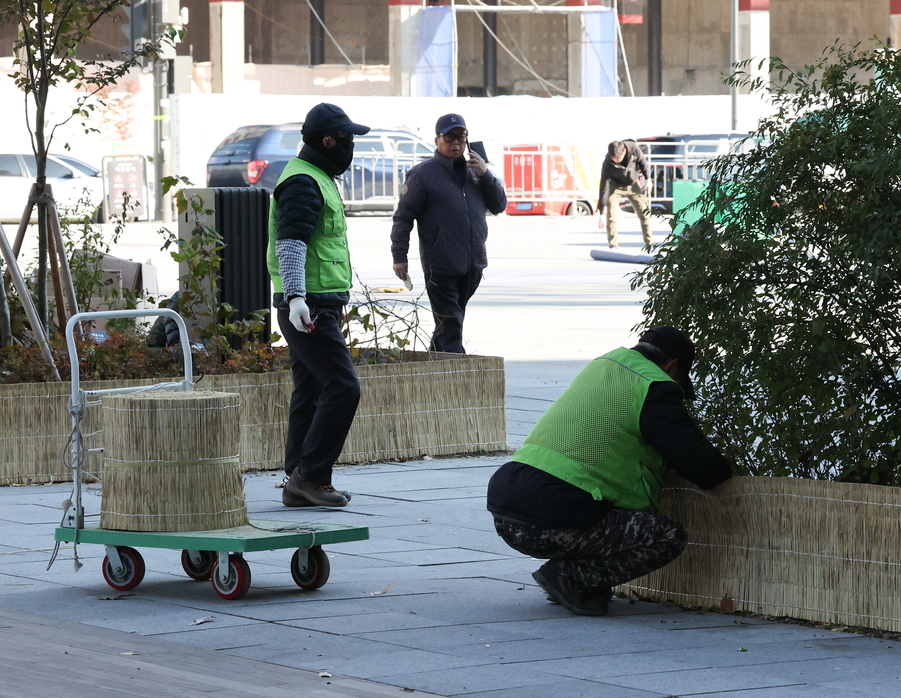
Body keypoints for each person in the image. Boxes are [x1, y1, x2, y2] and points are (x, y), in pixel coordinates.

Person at [486, 327, 732, 616]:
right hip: (550, 518)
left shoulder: (604, 365)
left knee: (597, 510)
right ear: (673, 367)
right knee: (667, 536)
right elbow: (704, 468)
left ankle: (569, 576)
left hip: (506, 504)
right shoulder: (654, 388)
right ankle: (570, 577)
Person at [266, 103, 369, 508]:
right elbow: (291, 244)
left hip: (318, 303)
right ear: (328, 141)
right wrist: (296, 299)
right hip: (307, 306)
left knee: (310, 389)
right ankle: (311, 476)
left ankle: (298, 476)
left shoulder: (317, 177)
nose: (350, 148)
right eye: (347, 140)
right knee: (343, 387)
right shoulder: (304, 182)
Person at [391, 113, 507, 353]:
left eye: (461, 138)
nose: (456, 143)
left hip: (473, 263)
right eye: (449, 137)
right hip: (441, 264)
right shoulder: (423, 174)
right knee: (451, 323)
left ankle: (433, 369)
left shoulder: (475, 171)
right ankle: (459, 375)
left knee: (449, 322)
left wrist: (486, 175)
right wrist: (399, 256)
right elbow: (403, 218)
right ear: (437, 140)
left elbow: (499, 206)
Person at [597, 139, 652, 250]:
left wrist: (648, 178)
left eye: (618, 159)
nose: (616, 162)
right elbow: (604, 186)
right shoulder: (607, 162)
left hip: (633, 185)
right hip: (615, 187)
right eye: (614, 160)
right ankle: (613, 245)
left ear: (624, 152)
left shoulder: (633, 148)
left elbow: (642, 162)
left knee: (644, 213)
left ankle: (650, 244)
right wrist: (601, 211)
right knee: (611, 214)